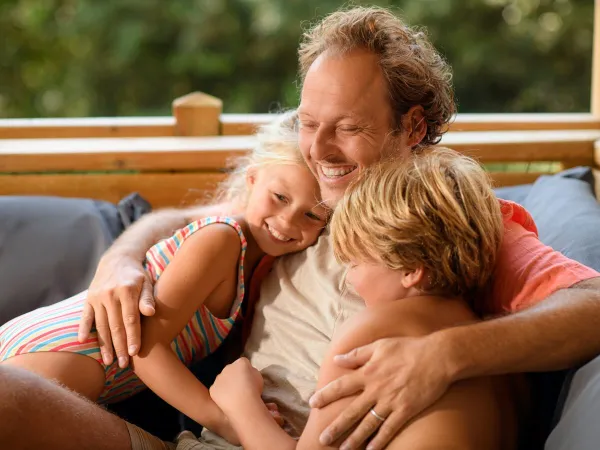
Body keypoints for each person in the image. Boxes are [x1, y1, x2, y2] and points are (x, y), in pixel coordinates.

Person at [1, 6, 599, 450]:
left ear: (412, 126)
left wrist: (443, 356)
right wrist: (121, 259)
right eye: (309, 122)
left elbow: (592, 304)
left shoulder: (447, 225)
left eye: (347, 127)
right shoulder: (295, 207)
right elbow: (189, 220)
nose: (317, 148)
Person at [0, 113, 327, 446]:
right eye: (280, 198)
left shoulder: (254, 262)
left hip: (90, 372)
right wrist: (223, 419)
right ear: (253, 179)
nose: (288, 221)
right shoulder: (222, 240)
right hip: (66, 350)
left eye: (312, 214)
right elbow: (146, 348)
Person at [209, 147, 521, 449]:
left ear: (411, 269)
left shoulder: (375, 330)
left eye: (354, 263)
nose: (353, 280)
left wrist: (242, 404)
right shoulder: (494, 357)